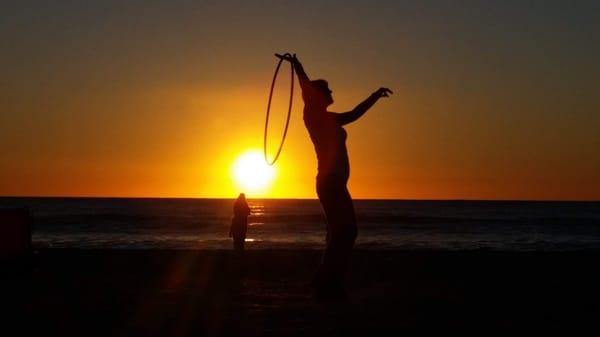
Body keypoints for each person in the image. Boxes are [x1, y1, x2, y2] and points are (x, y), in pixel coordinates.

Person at [279, 53, 392, 300]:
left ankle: (325, 279)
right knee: (346, 231)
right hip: (330, 183)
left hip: (335, 182)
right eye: (327, 89)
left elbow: (351, 114)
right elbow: (310, 91)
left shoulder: (327, 118)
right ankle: (329, 281)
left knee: (337, 231)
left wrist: (373, 97)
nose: (332, 92)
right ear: (318, 96)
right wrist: (298, 67)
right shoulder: (314, 116)